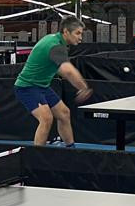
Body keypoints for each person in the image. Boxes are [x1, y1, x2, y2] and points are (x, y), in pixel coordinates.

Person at [15, 17, 94, 146]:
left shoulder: (57, 42)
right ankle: (37, 155)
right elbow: (68, 71)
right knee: (46, 119)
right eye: (78, 33)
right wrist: (83, 87)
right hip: (27, 87)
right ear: (66, 31)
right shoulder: (55, 45)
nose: (80, 38)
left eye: (81, 34)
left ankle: (71, 149)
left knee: (64, 113)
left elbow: (62, 70)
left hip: (42, 86)